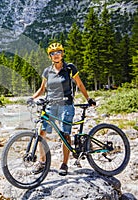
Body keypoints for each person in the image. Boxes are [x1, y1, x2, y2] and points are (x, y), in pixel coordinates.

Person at [27, 42, 96, 176]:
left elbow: (80, 84)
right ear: (50, 56)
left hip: (66, 105)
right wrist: (32, 98)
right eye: (53, 53)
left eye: (58, 52)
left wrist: (88, 99)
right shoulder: (47, 71)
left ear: (62, 54)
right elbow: (42, 89)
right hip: (51, 105)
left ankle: (64, 164)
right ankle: (42, 162)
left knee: (65, 134)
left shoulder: (69, 68)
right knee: (42, 133)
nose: (56, 55)